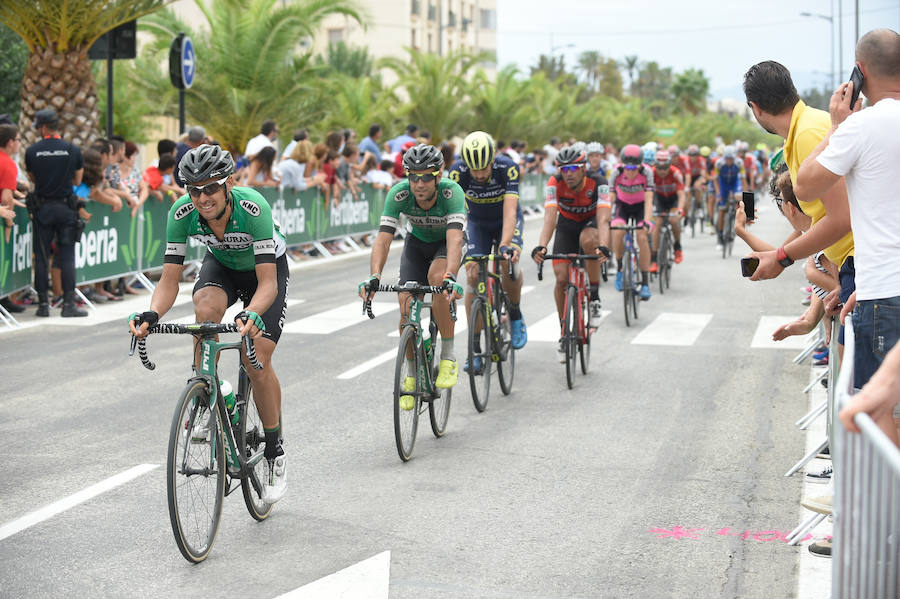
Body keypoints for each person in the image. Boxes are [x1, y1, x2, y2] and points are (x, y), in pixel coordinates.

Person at [128, 144, 289, 503]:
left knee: (256, 358)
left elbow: (267, 284)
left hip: (264, 272)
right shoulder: (181, 212)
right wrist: (152, 313)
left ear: (229, 183)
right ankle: (208, 387)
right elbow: (169, 281)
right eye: (194, 189)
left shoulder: (253, 208)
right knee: (204, 308)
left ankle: (276, 451)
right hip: (223, 267)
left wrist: (251, 313)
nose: (203, 197)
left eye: (211, 187)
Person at [796, 29, 900, 409]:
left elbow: (804, 186)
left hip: (885, 292)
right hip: (877, 287)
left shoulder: (860, 126)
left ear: (860, 72)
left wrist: (837, 126)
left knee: (876, 413)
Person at [359, 144, 466, 399]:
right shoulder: (398, 194)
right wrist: (374, 276)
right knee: (406, 304)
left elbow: (454, 240)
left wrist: (451, 275)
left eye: (427, 176)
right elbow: (383, 239)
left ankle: (448, 356)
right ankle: (411, 371)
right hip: (416, 244)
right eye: (413, 176)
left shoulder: (451, 193)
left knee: (438, 279)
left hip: (445, 244)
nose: (419, 183)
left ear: (439, 176)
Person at [743, 60, 854, 291]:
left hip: (859, 266)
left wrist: (783, 257)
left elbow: (841, 217)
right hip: (848, 268)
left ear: (756, 108)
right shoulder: (803, 129)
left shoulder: (807, 133)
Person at [448, 131, 528, 373]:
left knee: (507, 264)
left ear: (493, 160)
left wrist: (506, 245)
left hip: (505, 219)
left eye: (484, 168)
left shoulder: (508, 168)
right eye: (475, 170)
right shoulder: (457, 172)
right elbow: (455, 215)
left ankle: (514, 313)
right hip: (477, 224)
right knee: (472, 274)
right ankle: (474, 349)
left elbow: (510, 212)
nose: (480, 174)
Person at [532, 144, 610, 361]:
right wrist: (542, 245)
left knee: (589, 240)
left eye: (573, 169)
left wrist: (603, 245)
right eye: (564, 170)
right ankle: (564, 332)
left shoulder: (600, 183)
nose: (569, 175)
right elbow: (550, 218)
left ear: (583, 168)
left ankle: (594, 298)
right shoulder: (554, 183)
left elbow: (604, 218)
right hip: (566, 226)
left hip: (591, 223)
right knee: (561, 279)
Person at [608, 144, 654, 301]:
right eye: (627, 167)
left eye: (635, 168)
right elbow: (611, 199)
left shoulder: (647, 172)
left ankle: (645, 282)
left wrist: (647, 220)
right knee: (617, 230)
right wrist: (606, 219)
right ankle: (620, 268)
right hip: (623, 206)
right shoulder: (616, 172)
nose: (631, 171)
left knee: (642, 237)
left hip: (641, 207)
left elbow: (649, 200)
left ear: (640, 165)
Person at [649, 150, 686, 270]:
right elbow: (647, 194)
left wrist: (680, 209)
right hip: (659, 199)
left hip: (673, 199)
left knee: (674, 220)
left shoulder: (676, 173)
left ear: (670, 165)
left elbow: (681, 195)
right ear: (656, 166)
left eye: (665, 168)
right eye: (659, 168)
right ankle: (654, 259)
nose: (662, 171)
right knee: (657, 224)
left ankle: (677, 247)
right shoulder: (651, 173)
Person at [712, 146, 744, 249]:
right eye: (727, 158)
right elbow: (715, 180)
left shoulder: (739, 163)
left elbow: (743, 180)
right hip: (723, 184)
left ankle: (737, 223)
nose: (729, 161)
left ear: (734, 158)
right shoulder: (719, 163)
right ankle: (720, 236)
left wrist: (746, 193)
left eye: (731, 159)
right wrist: (718, 194)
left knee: (739, 198)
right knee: (722, 210)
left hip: (735, 183)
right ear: (724, 157)